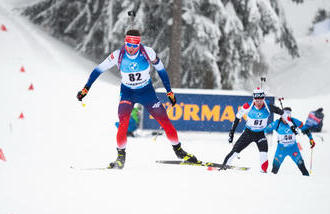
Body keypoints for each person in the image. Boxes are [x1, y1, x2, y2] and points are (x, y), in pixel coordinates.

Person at [77, 29, 198, 169]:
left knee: (164, 121)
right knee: (123, 122)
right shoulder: (118, 55)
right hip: (128, 92)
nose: (132, 49)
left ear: (139, 44)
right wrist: (86, 88)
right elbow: (98, 69)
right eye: (129, 44)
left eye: (135, 45)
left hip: (146, 92)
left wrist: (169, 92)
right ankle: (120, 157)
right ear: (125, 42)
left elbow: (161, 70)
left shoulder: (148, 52)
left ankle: (179, 152)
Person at [221, 87, 296, 173]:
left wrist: (292, 126)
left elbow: (283, 114)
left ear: (264, 99)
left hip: (260, 134)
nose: (259, 103)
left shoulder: (268, 106)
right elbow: (237, 118)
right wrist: (232, 132)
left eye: (261, 100)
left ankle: (263, 174)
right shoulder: (247, 106)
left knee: (264, 154)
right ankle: (223, 167)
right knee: (235, 152)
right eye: (257, 101)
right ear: (254, 99)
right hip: (248, 133)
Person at [264, 107, 315, 176]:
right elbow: (266, 129)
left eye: (288, 116)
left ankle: (308, 180)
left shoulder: (294, 121)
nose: (286, 119)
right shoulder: (277, 123)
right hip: (281, 149)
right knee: (274, 169)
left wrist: (311, 139)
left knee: (301, 165)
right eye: (284, 116)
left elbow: (305, 129)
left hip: (293, 148)